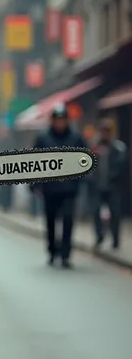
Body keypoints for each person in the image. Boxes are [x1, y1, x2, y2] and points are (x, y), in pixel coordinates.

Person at [32, 104, 86, 268]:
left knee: (68, 220)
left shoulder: (76, 138)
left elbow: (85, 160)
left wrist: (81, 179)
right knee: (50, 221)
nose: (60, 123)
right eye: (57, 120)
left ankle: (65, 254)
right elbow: (34, 162)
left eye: (63, 120)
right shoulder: (43, 138)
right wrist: (34, 184)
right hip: (50, 188)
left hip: (69, 189)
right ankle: (52, 250)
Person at [89, 117, 127, 250]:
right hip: (98, 186)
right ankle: (99, 237)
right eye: (102, 131)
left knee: (115, 213)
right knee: (96, 212)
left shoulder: (118, 148)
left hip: (113, 186)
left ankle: (115, 240)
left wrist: (113, 178)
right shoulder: (95, 147)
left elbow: (121, 166)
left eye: (107, 131)